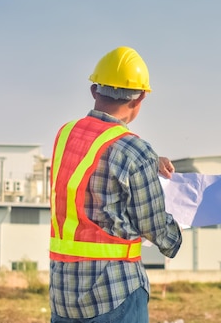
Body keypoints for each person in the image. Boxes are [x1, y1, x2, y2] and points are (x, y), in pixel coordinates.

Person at [49, 46, 182, 323]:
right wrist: (174, 240)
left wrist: (149, 162)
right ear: (140, 98)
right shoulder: (135, 151)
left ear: (94, 91)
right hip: (114, 291)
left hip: (63, 293)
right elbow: (154, 226)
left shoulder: (65, 135)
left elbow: (94, 161)